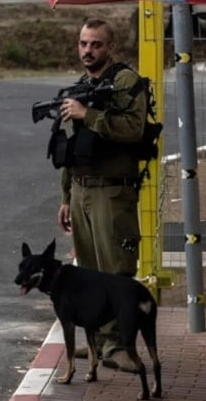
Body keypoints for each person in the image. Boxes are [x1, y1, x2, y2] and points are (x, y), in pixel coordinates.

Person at [53, 19, 147, 371]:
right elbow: (72, 151)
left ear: (111, 48)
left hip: (112, 191)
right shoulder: (80, 86)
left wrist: (88, 114)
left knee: (116, 272)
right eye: (82, 44)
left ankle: (121, 345)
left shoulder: (126, 81)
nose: (87, 51)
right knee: (89, 275)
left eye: (95, 44)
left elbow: (133, 129)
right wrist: (65, 197)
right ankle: (97, 343)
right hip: (82, 191)